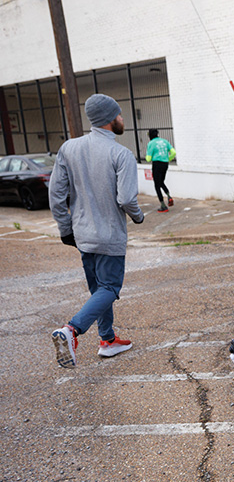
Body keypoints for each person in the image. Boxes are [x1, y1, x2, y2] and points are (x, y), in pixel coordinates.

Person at [49, 93, 144, 369]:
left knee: (98, 291)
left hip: (82, 235)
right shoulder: (121, 154)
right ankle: (71, 330)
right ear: (110, 119)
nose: (122, 119)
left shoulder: (69, 148)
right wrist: (138, 217)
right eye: (120, 115)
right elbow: (126, 199)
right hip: (110, 236)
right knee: (110, 288)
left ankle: (107, 340)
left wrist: (65, 229)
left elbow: (56, 195)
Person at [145, 128, 176, 212]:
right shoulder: (165, 141)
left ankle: (163, 205)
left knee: (157, 184)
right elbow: (173, 152)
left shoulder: (151, 143)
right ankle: (169, 196)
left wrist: (148, 156)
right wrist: (168, 159)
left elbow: (148, 158)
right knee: (161, 181)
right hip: (165, 164)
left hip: (157, 164)